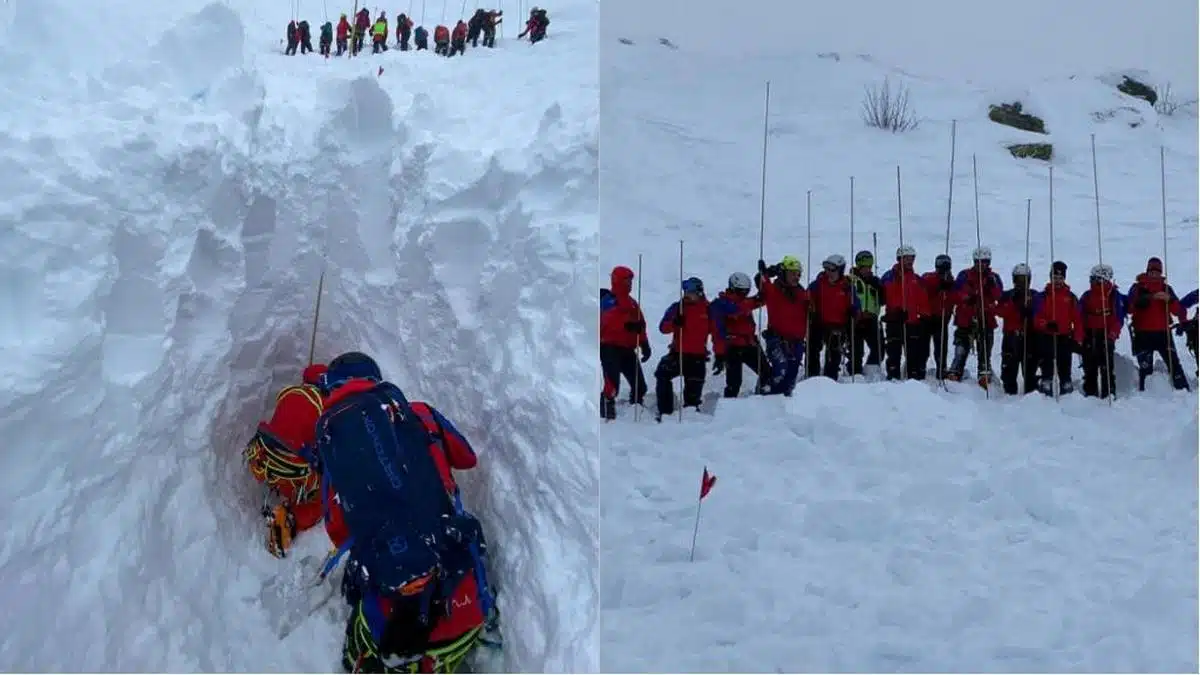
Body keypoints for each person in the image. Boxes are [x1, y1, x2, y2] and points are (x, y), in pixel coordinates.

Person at [312, 353, 494, 674]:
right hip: (466, 602)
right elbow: (467, 458)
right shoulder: (419, 414)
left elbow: (339, 532)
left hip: (396, 626)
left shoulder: (336, 447)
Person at [243, 363, 329, 558]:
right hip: (295, 477)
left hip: (267, 463)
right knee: (329, 494)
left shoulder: (288, 393)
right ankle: (292, 518)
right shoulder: (324, 407)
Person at [1126, 256, 1189, 391]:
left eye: (1157, 271)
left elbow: (1178, 311)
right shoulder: (1137, 287)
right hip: (1142, 333)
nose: (1154, 274)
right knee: (1145, 368)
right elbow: (1129, 308)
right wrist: (1145, 299)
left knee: (1174, 365)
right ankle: (1143, 395)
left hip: (1163, 333)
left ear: (1160, 272)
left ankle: (1184, 391)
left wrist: (1170, 300)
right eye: (1151, 271)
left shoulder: (1167, 289)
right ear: (1147, 271)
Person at [653, 277, 711, 420]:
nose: (687, 295)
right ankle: (665, 412)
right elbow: (663, 328)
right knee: (662, 374)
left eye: (690, 292)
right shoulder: (677, 308)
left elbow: (717, 330)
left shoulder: (709, 309)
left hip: (698, 357)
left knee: (693, 394)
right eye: (685, 291)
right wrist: (675, 323)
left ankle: (690, 418)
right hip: (678, 354)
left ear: (699, 292)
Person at [945, 246, 1003, 386]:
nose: (981, 265)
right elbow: (954, 294)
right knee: (961, 348)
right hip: (965, 318)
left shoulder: (993, 277)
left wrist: (991, 286)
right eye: (978, 261)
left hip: (985, 318)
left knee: (984, 349)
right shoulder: (964, 275)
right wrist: (966, 298)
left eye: (984, 262)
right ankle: (956, 371)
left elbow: (998, 296)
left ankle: (984, 372)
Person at [600, 265, 651, 419]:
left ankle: (636, 411)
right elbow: (605, 322)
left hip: (628, 349)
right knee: (612, 384)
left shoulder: (633, 303)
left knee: (640, 386)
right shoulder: (608, 300)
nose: (630, 283)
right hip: (609, 347)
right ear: (618, 281)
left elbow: (641, 325)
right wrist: (626, 325)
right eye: (627, 280)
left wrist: (644, 344)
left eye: (630, 280)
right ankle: (607, 413)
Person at [755, 256, 810, 395]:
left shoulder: (802, 294)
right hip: (777, 339)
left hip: (797, 342)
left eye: (798, 274)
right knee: (780, 369)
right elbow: (760, 280)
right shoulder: (774, 290)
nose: (796, 277)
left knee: (791, 376)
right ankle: (765, 394)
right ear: (784, 273)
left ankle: (783, 404)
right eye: (792, 273)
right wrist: (767, 272)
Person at [709, 272, 767, 397]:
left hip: (750, 343)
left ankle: (762, 400)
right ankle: (728, 408)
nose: (744, 294)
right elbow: (718, 331)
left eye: (746, 291)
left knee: (767, 373)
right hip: (732, 347)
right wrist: (719, 354)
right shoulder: (720, 304)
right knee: (734, 383)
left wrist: (764, 283)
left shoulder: (744, 302)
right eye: (741, 291)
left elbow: (759, 300)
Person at [1031, 260, 1083, 395]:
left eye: (1060, 278)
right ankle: (1046, 382)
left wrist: (1078, 338)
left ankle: (1066, 383)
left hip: (1064, 335)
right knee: (1047, 361)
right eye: (1055, 278)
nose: (1058, 281)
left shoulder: (1071, 297)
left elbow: (1077, 319)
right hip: (1047, 335)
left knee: (1064, 362)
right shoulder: (1042, 297)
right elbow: (1036, 318)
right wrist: (1046, 324)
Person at [879, 245, 930, 381]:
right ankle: (893, 377)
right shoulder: (889, 276)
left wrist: (924, 316)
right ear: (899, 259)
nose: (909, 261)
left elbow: (923, 300)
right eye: (906, 258)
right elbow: (883, 296)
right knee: (893, 352)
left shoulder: (917, 280)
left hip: (912, 322)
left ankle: (913, 378)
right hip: (894, 320)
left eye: (911, 258)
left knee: (913, 353)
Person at [805, 254, 859, 380]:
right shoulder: (818, 284)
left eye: (832, 269)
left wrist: (854, 311)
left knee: (833, 355)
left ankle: (830, 381)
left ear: (840, 270)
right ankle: (811, 378)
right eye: (826, 269)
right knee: (812, 351)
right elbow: (806, 297)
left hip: (838, 325)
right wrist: (810, 308)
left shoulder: (847, 287)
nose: (828, 272)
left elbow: (856, 304)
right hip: (819, 322)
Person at [1078, 263, 1126, 399]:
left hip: (1106, 335)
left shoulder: (1113, 296)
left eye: (1095, 278)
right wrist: (1080, 336)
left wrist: (1112, 335)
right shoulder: (1087, 296)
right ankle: (1090, 394)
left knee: (1107, 369)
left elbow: (1119, 318)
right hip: (1089, 335)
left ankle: (1109, 394)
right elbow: (1079, 316)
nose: (1092, 281)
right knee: (1089, 368)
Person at [994, 263, 1039, 395]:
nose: (1022, 283)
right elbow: (999, 311)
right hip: (1011, 336)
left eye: (1024, 280)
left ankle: (1031, 396)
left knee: (1030, 370)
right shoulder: (1007, 295)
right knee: (1009, 370)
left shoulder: (1034, 295)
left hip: (1029, 336)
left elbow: (1040, 312)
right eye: (1019, 280)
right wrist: (1013, 306)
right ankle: (1009, 395)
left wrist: (1029, 312)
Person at [847, 250, 883, 375]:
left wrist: (880, 289)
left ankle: (871, 371)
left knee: (879, 349)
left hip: (871, 318)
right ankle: (854, 373)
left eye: (869, 267)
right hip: (856, 319)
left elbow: (882, 300)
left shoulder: (875, 281)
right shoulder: (851, 281)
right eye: (864, 267)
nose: (867, 270)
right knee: (856, 351)